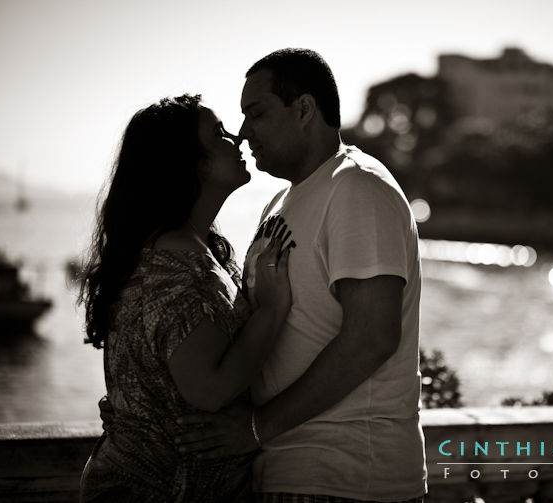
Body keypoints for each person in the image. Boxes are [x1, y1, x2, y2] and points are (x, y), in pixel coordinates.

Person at [177, 48, 428, 502]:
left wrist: (257, 428)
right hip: (289, 473)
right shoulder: (286, 201)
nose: (243, 132)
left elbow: (373, 336)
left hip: (347, 480)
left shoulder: (356, 188)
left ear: (305, 110)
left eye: (257, 113)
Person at [79, 94, 292, 502]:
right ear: (188, 163)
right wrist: (273, 308)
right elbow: (209, 390)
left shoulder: (195, 248)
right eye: (218, 134)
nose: (238, 138)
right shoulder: (175, 268)